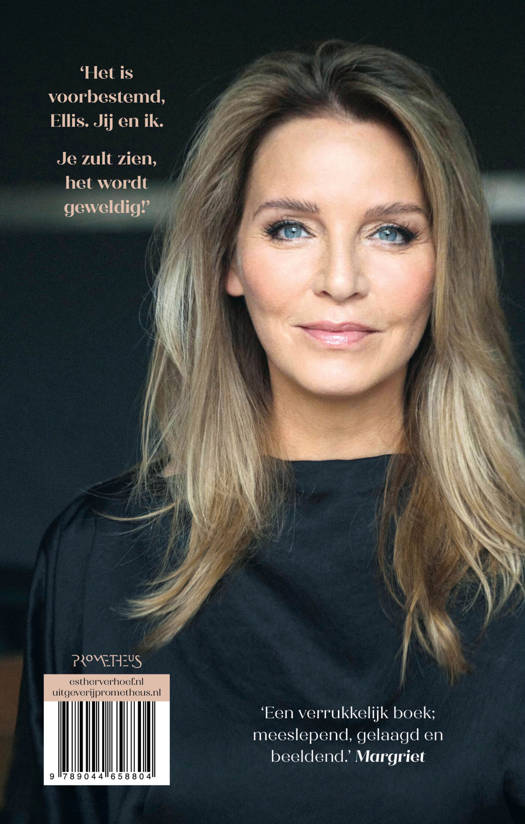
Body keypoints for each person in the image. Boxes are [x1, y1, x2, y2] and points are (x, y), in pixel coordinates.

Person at [5, 39, 525, 823]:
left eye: (390, 232)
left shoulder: (512, 566)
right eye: (290, 229)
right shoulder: (111, 563)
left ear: (446, 262)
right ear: (229, 259)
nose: (340, 280)